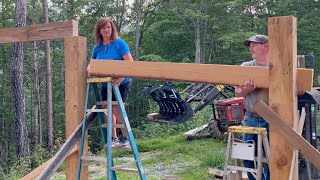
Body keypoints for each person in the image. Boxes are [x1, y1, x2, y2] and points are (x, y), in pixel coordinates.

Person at [87, 17, 133, 147]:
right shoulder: (98, 47)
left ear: (112, 29)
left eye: (108, 27)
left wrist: (121, 77)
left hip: (122, 82)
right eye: (103, 28)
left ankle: (126, 138)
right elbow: (92, 63)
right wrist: (89, 69)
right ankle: (113, 138)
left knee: (117, 109)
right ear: (99, 31)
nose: (107, 30)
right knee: (108, 109)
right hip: (106, 82)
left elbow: (130, 63)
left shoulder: (119, 43)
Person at [235, 34, 270, 180]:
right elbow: (238, 92)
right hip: (250, 118)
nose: (251, 48)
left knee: (273, 156)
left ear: (266, 46)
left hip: (273, 120)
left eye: (255, 44)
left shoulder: (278, 67)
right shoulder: (246, 67)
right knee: (247, 156)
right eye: (250, 45)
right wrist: (246, 90)